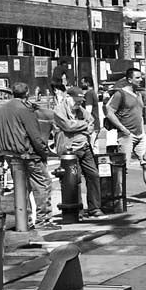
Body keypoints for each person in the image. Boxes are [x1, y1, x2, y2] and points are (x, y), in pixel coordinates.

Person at [0, 81, 57, 230]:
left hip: (9, 154)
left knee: (22, 187)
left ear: (12, 93)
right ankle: (43, 220)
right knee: (43, 184)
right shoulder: (25, 110)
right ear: (27, 93)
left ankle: (25, 220)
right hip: (27, 154)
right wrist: (43, 152)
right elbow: (35, 136)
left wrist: (0, 155)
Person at [106, 67, 146, 205]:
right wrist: (123, 129)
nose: (141, 79)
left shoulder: (139, 95)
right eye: (137, 77)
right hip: (126, 136)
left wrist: (144, 132)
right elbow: (109, 112)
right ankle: (120, 198)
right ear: (129, 79)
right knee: (123, 168)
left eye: (141, 77)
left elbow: (140, 115)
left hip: (140, 135)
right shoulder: (120, 94)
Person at [52, 85, 101, 218]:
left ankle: (94, 208)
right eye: (76, 101)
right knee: (74, 179)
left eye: (80, 101)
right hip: (70, 149)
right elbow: (67, 126)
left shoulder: (80, 109)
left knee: (93, 175)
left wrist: (79, 126)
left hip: (85, 146)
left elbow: (91, 121)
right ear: (68, 98)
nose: (79, 104)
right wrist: (83, 125)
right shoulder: (59, 110)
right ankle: (77, 209)